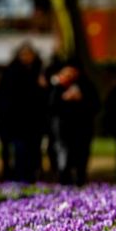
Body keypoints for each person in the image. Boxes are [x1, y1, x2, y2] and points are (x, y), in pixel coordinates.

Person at [0, 42, 47, 183]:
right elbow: (5, 96)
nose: (27, 57)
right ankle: (17, 175)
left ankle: (30, 175)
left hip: (34, 119)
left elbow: (44, 98)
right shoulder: (12, 72)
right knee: (19, 150)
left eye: (29, 54)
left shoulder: (40, 71)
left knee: (34, 150)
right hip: (16, 120)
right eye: (24, 54)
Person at [45, 57, 101, 186]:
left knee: (81, 158)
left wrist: (81, 99)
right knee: (63, 157)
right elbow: (49, 107)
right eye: (67, 72)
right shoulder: (57, 87)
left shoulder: (86, 85)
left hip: (82, 129)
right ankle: (64, 181)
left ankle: (80, 180)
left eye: (72, 72)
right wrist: (63, 98)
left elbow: (96, 106)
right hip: (62, 131)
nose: (70, 75)